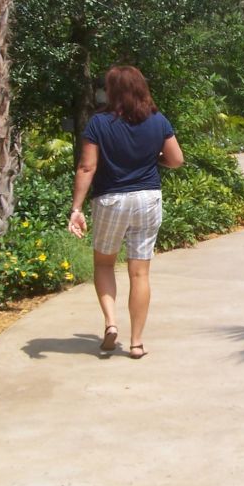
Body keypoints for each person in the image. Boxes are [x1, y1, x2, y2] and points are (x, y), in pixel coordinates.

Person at [68, 65, 184, 357]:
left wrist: (76, 208)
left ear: (113, 91)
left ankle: (110, 323)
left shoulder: (98, 123)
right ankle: (136, 343)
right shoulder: (158, 121)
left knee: (105, 264)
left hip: (111, 200)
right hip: (147, 199)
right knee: (140, 274)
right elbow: (177, 160)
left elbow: (87, 166)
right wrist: (154, 158)